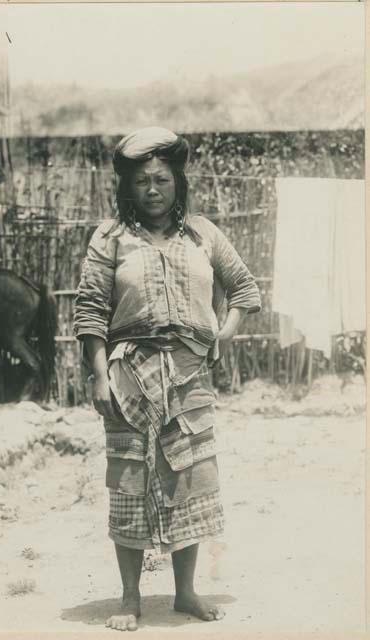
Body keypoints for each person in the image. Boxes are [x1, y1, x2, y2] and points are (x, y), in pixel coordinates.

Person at [74, 126, 261, 631]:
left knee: (191, 480)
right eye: (141, 181)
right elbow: (90, 311)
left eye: (161, 179)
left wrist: (220, 333)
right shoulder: (109, 239)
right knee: (130, 482)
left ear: (178, 182)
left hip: (189, 376)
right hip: (129, 375)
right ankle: (130, 599)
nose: (153, 189)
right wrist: (97, 375)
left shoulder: (204, 234)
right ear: (126, 187)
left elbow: (244, 288)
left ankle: (185, 593)